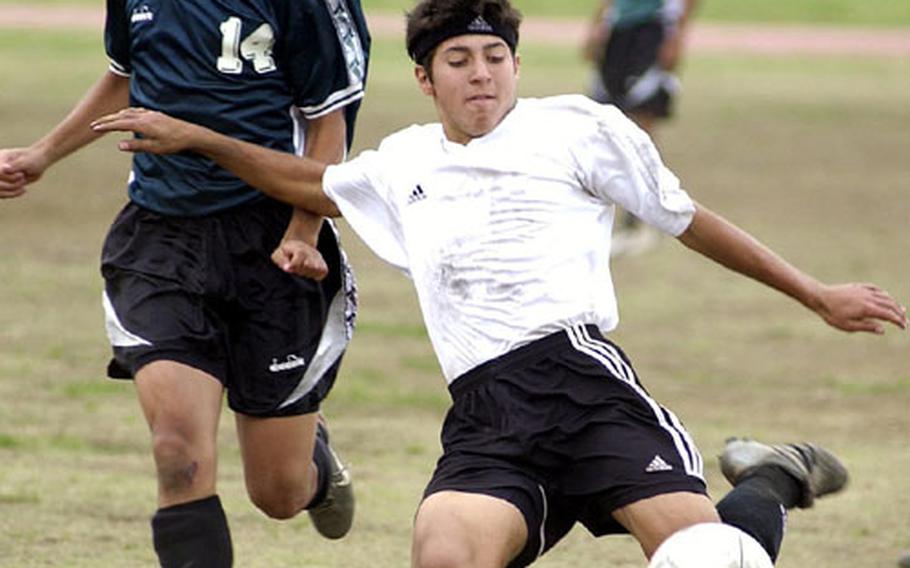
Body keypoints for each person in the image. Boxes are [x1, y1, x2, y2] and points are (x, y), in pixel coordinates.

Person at [88, 0, 907, 565]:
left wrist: (816, 293)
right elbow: (305, 182)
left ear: (516, 65)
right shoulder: (401, 160)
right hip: (487, 419)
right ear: (425, 77)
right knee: (442, 554)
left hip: (588, 392)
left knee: (706, 558)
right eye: (459, 60)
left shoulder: (578, 130)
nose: (481, 75)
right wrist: (197, 135)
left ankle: (769, 479)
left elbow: (688, 219)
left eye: (495, 58)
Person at [0, 0, 369, 566]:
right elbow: (127, 75)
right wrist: (42, 154)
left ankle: (314, 469)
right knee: (178, 454)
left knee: (277, 492)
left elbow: (328, 122)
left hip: (270, 240)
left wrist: (302, 229)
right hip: (162, 241)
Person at [582, 0, 699, 256]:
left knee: (641, 125)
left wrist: (677, 36)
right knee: (604, 124)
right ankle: (611, 220)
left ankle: (645, 221)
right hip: (618, 30)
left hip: (653, 29)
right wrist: (597, 24)